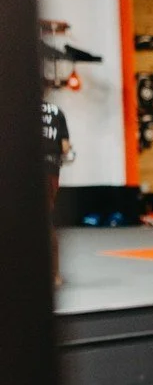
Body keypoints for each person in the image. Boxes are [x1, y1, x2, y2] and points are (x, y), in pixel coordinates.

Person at [41, 98, 72, 287]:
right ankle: (54, 275)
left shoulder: (21, 110)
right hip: (51, 170)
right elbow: (65, 147)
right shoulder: (56, 111)